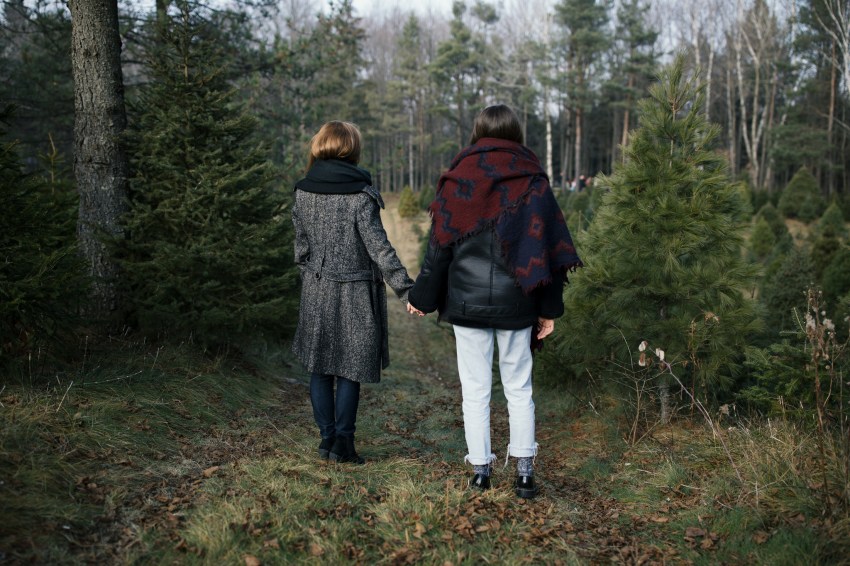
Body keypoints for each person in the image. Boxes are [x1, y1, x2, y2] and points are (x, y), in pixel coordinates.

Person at [408, 105, 582, 498]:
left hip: (467, 305)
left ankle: (481, 472)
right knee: (519, 388)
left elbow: (440, 248)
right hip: (519, 303)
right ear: (516, 133)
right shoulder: (533, 180)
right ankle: (524, 474)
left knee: (475, 390)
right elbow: (549, 250)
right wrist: (548, 310)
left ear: (478, 132)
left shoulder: (458, 180)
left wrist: (423, 297)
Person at [292, 120, 414, 465]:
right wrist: (407, 291)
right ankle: (344, 444)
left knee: (320, 367)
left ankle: (327, 440)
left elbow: (300, 250)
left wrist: (315, 276)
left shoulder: (303, 191)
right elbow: (381, 250)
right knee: (349, 368)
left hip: (316, 289)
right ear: (351, 148)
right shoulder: (360, 196)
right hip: (356, 292)